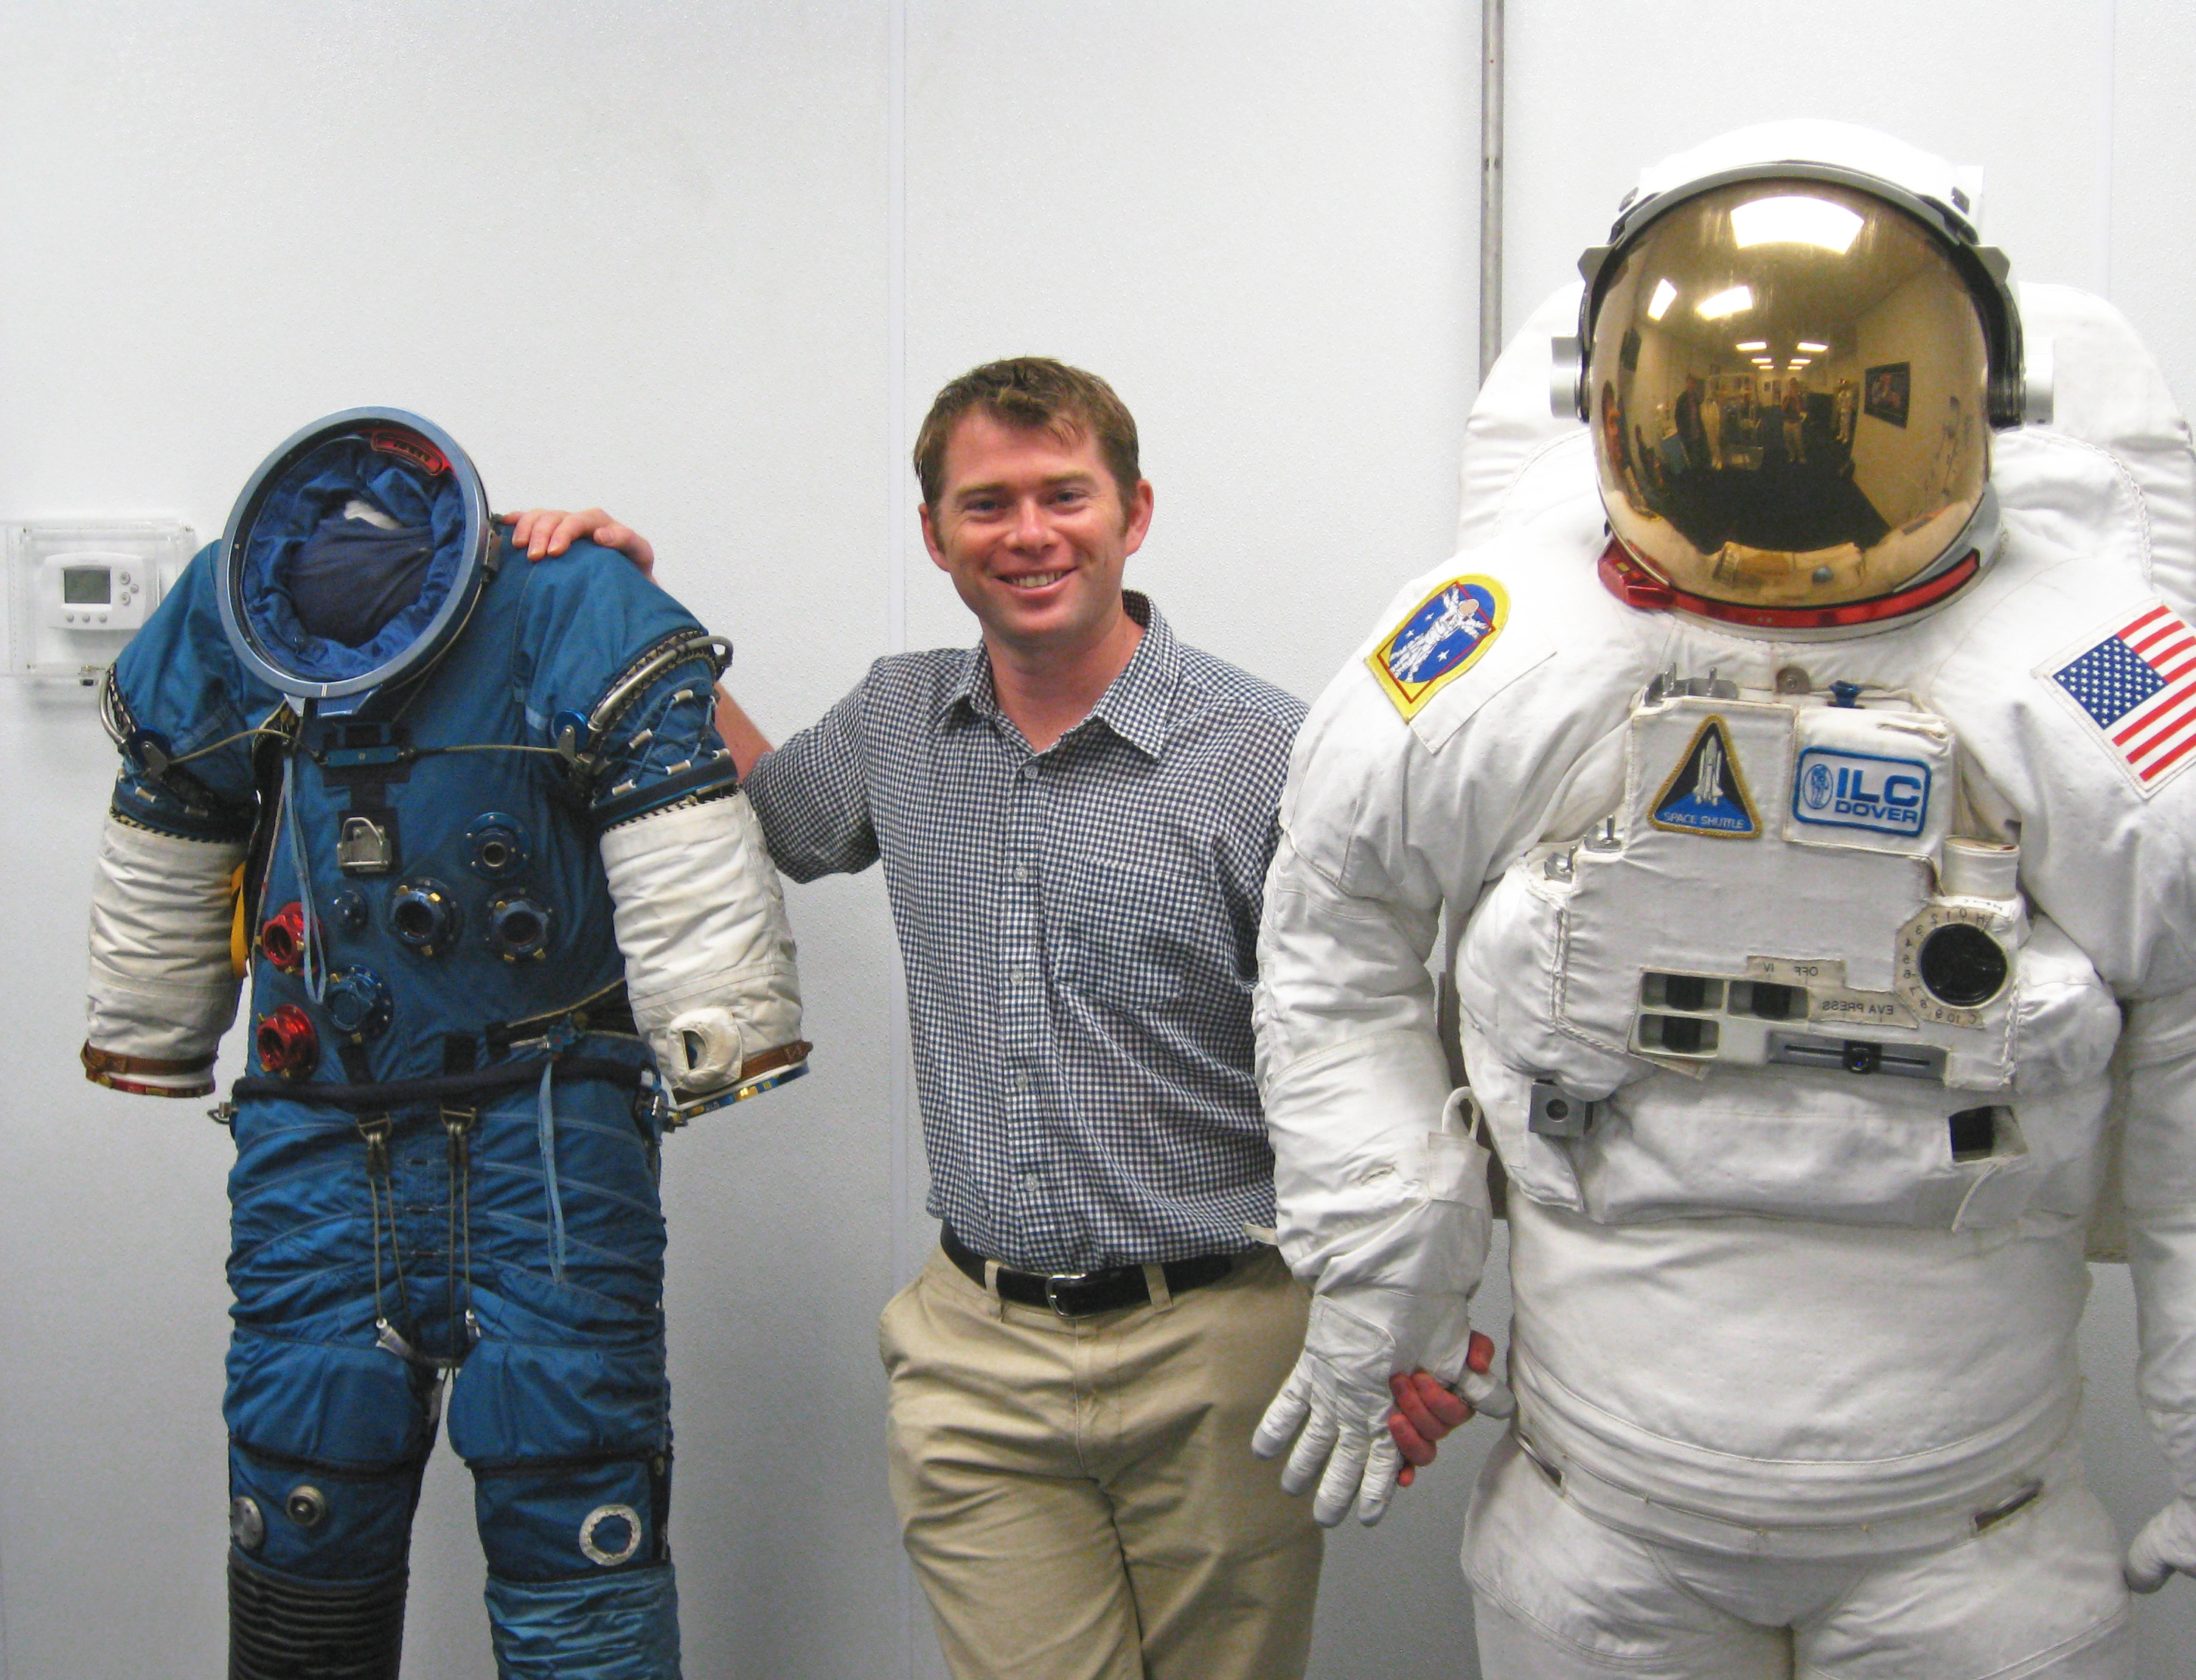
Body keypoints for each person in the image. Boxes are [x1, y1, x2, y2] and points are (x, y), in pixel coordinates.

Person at [1248, 122, 2196, 1680]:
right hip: (1600, 1526)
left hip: (1965, 1541)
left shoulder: (2105, 690)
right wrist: (1379, 1277)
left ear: (1978, 396)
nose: (1774, 460)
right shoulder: (1501, 644)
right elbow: (1331, 945)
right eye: (1728, 406)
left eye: (1830, 401)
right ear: (1614, 398)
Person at [508, 356, 1492, 1680]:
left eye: (1062, 495)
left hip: (1224, 1346)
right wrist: (636, 610)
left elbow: (1394, 1058)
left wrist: (1401, 1317)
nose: (1027, 535)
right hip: (978, 1352)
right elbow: (774, 813)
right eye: (986, 505)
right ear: (935, 536)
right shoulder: (899, 720)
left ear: (1133, 512)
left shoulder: (1274, 755)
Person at [82, 409, 807, 1679]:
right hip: (325, 1137)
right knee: (305, 1490)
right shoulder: (225, 614)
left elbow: (679, 800)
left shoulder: (568, 600)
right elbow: (173, 800)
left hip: (545, 1140)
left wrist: (722, 1025)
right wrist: (148, 1026)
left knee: (573, 1484)